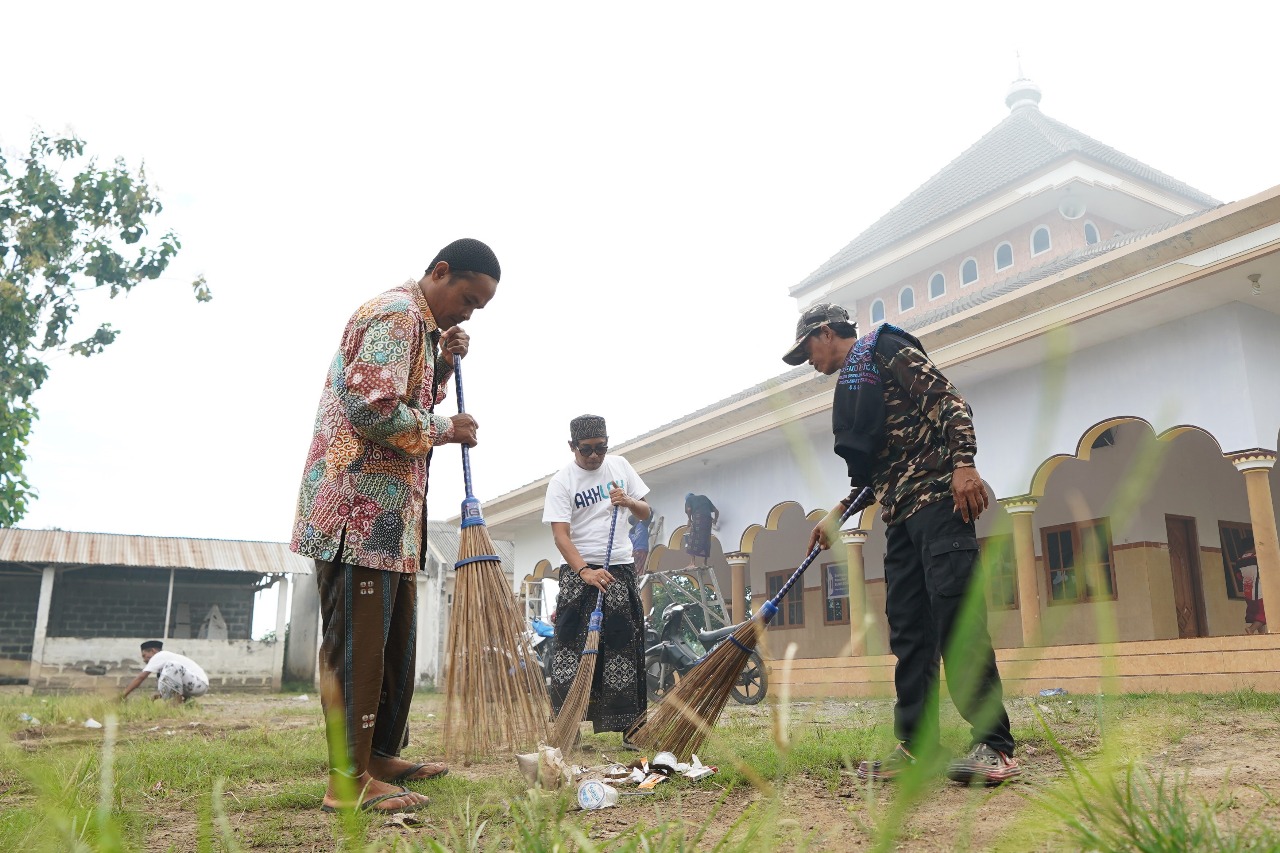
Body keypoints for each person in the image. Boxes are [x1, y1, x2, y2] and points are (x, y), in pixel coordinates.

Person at [290, 238, 499, 814]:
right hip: (355, 513)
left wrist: (443, 365)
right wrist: (445, 428)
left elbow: (402, 395)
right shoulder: (395, 314)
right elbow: (370, 408)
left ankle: (378, 755)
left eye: (479, 307)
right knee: (358, 646)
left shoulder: (421, 328)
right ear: (439, 272)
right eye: (467, 297)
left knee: (392, 645)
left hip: (392, 520)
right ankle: (346, 778)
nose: (468, 312)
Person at [783, 302, 1019, 786]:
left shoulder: (886, 348)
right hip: (901, 518)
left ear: (826, 333)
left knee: (958, 620)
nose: (807, 361)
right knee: (910, 631)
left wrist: (964, 464)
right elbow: (882, 470)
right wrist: (838, 513)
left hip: (939, 505)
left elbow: (950, 401)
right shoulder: (859, 381)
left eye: (806, 348)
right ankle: (918, 747)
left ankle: (995, 747)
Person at [543, 414, 651, 747]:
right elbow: (561, 536)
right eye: (586, 450)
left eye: (600, 449)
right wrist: (585, 572)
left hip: (618, 567)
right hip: (580, 572)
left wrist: (629, 501)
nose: (594, 456)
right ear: (572, 446)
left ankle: (631, 728)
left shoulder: (620, 467)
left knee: (623, 647)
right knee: (570, 649)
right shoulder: (562, 481)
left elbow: (646, 512)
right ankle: (568, 728)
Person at [121, 641, 209, 703]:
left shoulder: (160, 655)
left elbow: (141, 677)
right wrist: (158, 696)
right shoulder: (164, 661)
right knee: (164, 678)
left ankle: (175, 705)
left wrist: (121, 696)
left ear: (153, 651)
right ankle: (183, 705)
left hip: (199, 684)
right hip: (196, 686)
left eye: (144, 655)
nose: (144, 660)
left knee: (171, 666)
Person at [1235, 537, 1266, 634]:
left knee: (1256, 614)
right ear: (1254, 546)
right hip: (1259, 592)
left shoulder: (1239, 561)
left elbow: (1239, 576)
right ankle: (1251, 629)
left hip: (1247, 592)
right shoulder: (1256, 559)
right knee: (1264, 614)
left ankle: (1262, 637)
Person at [683, 492, 718, 567]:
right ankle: (704, 563)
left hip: (698, 520)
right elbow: (716, 511)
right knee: (706, 540)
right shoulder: (704, 497)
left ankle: (692, 563)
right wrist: (715, 520)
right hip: (708, 521)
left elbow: (689, 509)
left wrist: (689, 519)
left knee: (692, 539)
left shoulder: (689, 499)